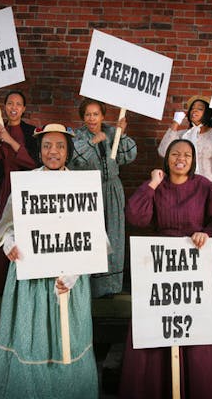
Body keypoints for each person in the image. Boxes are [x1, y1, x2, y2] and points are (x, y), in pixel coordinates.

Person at [0, 123, 98, 399]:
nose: (54, 151)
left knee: (67, 341)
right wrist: (10, 243)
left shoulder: (82, 185)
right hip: (32, 278)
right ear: (39, 150)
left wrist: (74, 272)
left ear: (68, 151)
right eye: (47, 145)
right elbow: (6, 227)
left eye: (60, 146)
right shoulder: (27, 184)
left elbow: (94, 236)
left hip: (68, 280)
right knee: (32, 338)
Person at [120, 139, 212, 399]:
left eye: (187, 155)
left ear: (194, 160)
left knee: (196, 331)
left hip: (194, 267)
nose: (181, 158)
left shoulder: (204, 186)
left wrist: (205, 232)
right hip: (159, 268)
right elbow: (136, 217)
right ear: (166, 157)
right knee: (156, 329)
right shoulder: (157, 186)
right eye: (175, 153)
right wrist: (152, 184)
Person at [158, 95, 212, 285]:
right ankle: (189, 276)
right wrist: (174, 124)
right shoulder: (183, 135)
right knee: (192, 230)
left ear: (209, 113)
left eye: (199, 108)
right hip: (188, 190)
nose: (194, 111)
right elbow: (163, 151)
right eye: (192, 108)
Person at [69, 97, 137, 298]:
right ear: (83, 117)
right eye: (88, 114)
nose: (92, 118)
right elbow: (75, 160)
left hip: (112, 189)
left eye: (95, 114)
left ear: (103, 116)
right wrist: (92, 141)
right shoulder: (77, 135)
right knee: (92, 236)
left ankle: (109, 287)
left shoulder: (111, 131)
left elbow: (128, 155)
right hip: (88, 191)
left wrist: (121, 134)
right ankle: (88, 284)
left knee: (113, 234)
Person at [0, 90, 38, 297]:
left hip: (24, 189)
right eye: (10, 103)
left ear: (24, 109)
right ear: (4, 107)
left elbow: (34, 163)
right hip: (2, 189)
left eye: (18, 104)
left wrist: (10, 140)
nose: (13, 107)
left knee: (22, 234)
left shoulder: (32, 132)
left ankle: (21, 282)